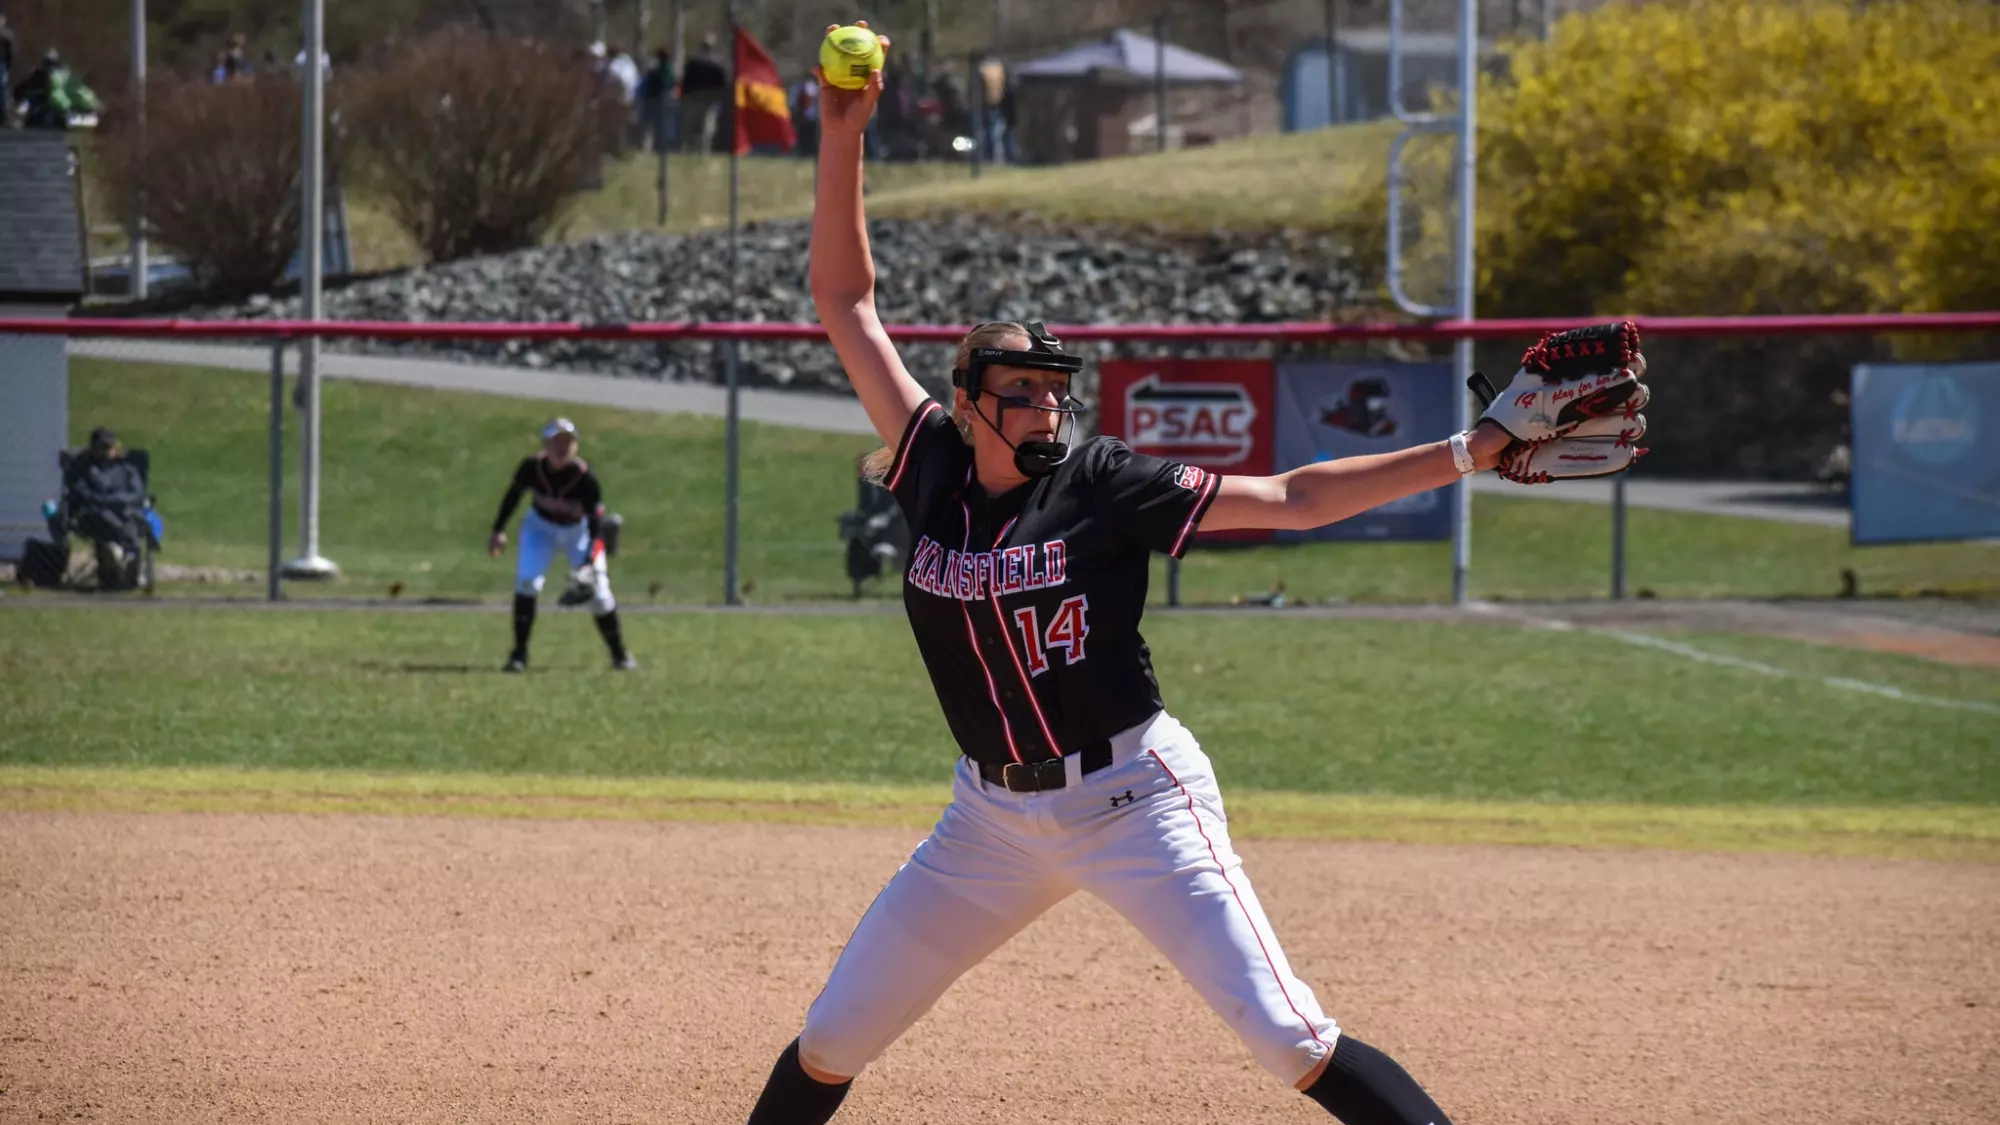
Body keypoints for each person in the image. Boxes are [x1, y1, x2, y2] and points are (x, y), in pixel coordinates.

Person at [737, 22, 1651, 1125]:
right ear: (970, 398)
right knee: (832, 1038)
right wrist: (843, 132)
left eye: (1054, 388)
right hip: (985, 822)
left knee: (1287, 1038)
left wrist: (1472, 449)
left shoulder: (1102, 482)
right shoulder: (929, 461)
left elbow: (1296, 499)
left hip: (1133, 800)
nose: (1048, 405)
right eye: (1021, 389)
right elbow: (844, 304)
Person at [487, 418, 636, 673]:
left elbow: (596, 528)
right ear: (545, 444)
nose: (562, 447)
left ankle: (620, 654)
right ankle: (519, 654)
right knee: (527, 583)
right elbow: (513, 496)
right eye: (556, 441)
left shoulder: (585, 479)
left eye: (568, 441)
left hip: (577, 532)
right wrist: (498, 529)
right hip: (539, 528)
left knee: (599, 594)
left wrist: (590, 562)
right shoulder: (532, 468)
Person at [12, 49, 98, 131]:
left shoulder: (64, 75)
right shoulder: (40, 75)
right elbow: (22, 89)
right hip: (48, 108)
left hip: (60, 107)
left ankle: (82, 113)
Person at [677, 33, 727, 154]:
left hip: (700, 100)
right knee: (697, 128)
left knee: (701, 129)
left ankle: (698, 151)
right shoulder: (714, 65)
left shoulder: (696, 64)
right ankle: (694, 151)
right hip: (699, 100)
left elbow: (685, 81)